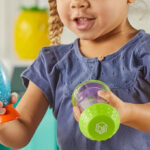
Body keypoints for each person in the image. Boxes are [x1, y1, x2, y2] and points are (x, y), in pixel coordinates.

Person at [0, 0, 150, 149]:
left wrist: (128, 113)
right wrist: (2, 119)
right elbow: (20, 133)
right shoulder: (51, 62)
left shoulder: (146, 52)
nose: (77, 3)